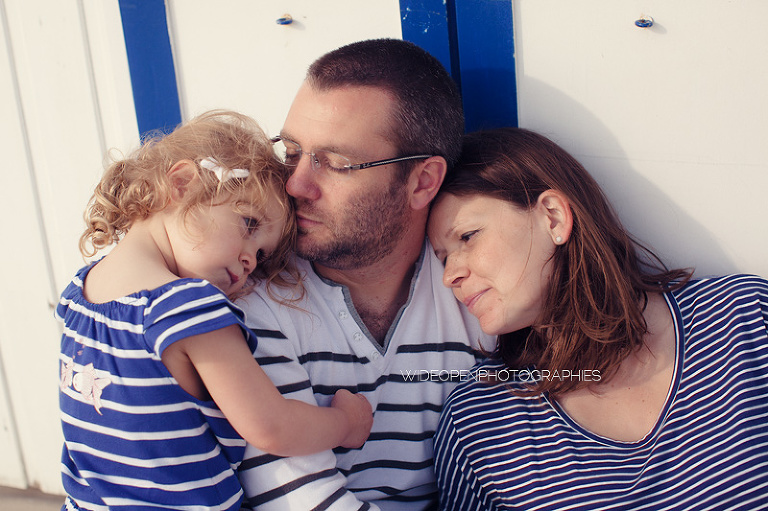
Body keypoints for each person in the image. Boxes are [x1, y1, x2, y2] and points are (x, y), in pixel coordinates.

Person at [428, 127, 768, 510]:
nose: (449, 275)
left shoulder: (743, 319)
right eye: (442, 257)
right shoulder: (480, 424)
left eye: (468, 236)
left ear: (553, 218)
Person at [55, 110, 373, 511]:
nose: (248, 263)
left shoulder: (77, 294)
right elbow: (271, 427)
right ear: (183, 183)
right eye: (248, 223)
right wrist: (345, 424)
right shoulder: (188, 310)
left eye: (260, 256)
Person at [236, 39, 493, 510]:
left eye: (336, 163)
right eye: (292, 150)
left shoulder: (480, 294)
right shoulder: (251, 297)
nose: (296, 184)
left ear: (422, 181)